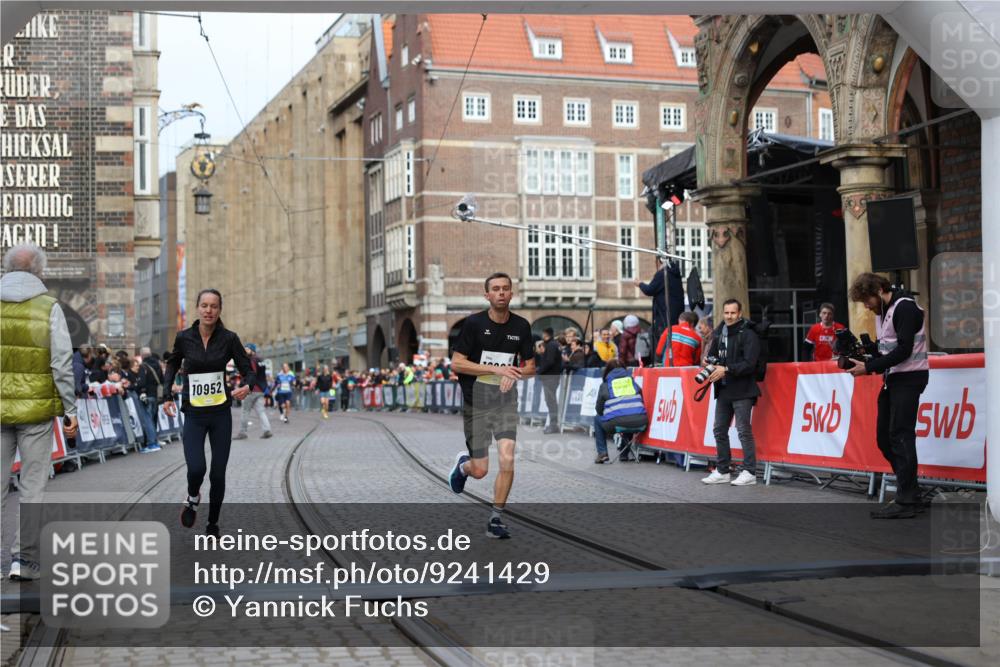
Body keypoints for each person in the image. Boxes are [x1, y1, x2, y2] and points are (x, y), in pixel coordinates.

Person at [1, 245, 79, 580]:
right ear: (40, 271)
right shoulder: (49, 308)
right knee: (32, 486)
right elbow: (61, 362)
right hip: (35, 411)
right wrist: (69, 409)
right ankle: (24, 560)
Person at [448, 272, 536, 539]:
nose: (501, 292)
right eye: (495, 289)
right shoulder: (474, 324)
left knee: (508, 459)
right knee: (481, 469)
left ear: (511, 294)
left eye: (505, 289)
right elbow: (457, 363)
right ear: (487, 295)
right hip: (477, 402)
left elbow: (531, 366)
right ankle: (464, 466)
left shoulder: (521, 327)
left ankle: (496, 518)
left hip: (505, 403)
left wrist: (515, 373)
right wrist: (497, 371)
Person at [162, 289, 255, 537]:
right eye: (204, 305)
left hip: (220, 413)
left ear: (220, 310)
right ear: (197, 308)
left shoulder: (229, 338)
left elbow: (248, 369)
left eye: (214, 306)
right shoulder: (184, 338)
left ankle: (212, 524)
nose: (209, 310)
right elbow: (172, 363)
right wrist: (166, 395)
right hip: (194, 412)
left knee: (217, 473)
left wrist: (247, 385)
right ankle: (193, 497)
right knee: (196, 469)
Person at [846, 273, 929, 519]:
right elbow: (888, 348)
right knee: (885, 438)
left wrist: (868, 368)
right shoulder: (886, 310)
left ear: (880, 290)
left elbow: (904, 349)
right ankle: (911, 491)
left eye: (867, 300)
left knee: (900, 435)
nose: (867, 306)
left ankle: (906, 499)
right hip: (893, 379)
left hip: (909, 378)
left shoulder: (905, 308)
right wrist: (867, 352)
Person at [701, 299, 760, 487]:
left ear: (740, 313)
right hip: (724, 389)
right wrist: (709, 364)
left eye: (733, 313)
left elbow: (750, 364)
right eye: (726, 313)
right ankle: (723, 470)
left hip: (743, 390)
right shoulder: (720, 334)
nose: (729, 316)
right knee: (719, 430)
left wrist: (725, 369)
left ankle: (750, 472)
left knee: (743, 431)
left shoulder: (749, 334)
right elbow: (716, 358)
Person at [593, 360, 648, 463]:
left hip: (616, 423)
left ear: (607, 371)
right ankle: (624, 454)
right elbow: (642, 401)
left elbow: (599, 410)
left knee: (597, 419)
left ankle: (602, 453)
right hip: (641, 422)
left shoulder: (605, 385)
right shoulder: (633, 383)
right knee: (630, 415)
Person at [634, 257, 685, 351]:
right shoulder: (675, 274)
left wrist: (640, 284)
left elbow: (649, 290)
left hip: (663, 316)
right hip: (674, 316)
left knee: (659, 340)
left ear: (659, 262)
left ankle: (660, 360)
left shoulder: (663, 274)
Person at [234, 344, 272, 439]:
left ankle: (243, 432)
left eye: (246, 349)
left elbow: (251, 374)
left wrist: (242, 385)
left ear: (252, 350)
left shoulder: (251, 360)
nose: (245, 351)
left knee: (245, 411)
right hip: (260, 390)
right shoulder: (261, 360)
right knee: (261, 411)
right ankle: (267, 430)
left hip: (251, 389)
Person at [536, 327, 563, 434]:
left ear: (545, 334)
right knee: (550, 401)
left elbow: (550, 361)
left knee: (551, 401)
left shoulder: (551, 345)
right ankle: (553, 424)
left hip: (551, 377)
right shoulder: (552, 345)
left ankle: (553, 424)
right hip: (550, 377)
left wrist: (540, 371)